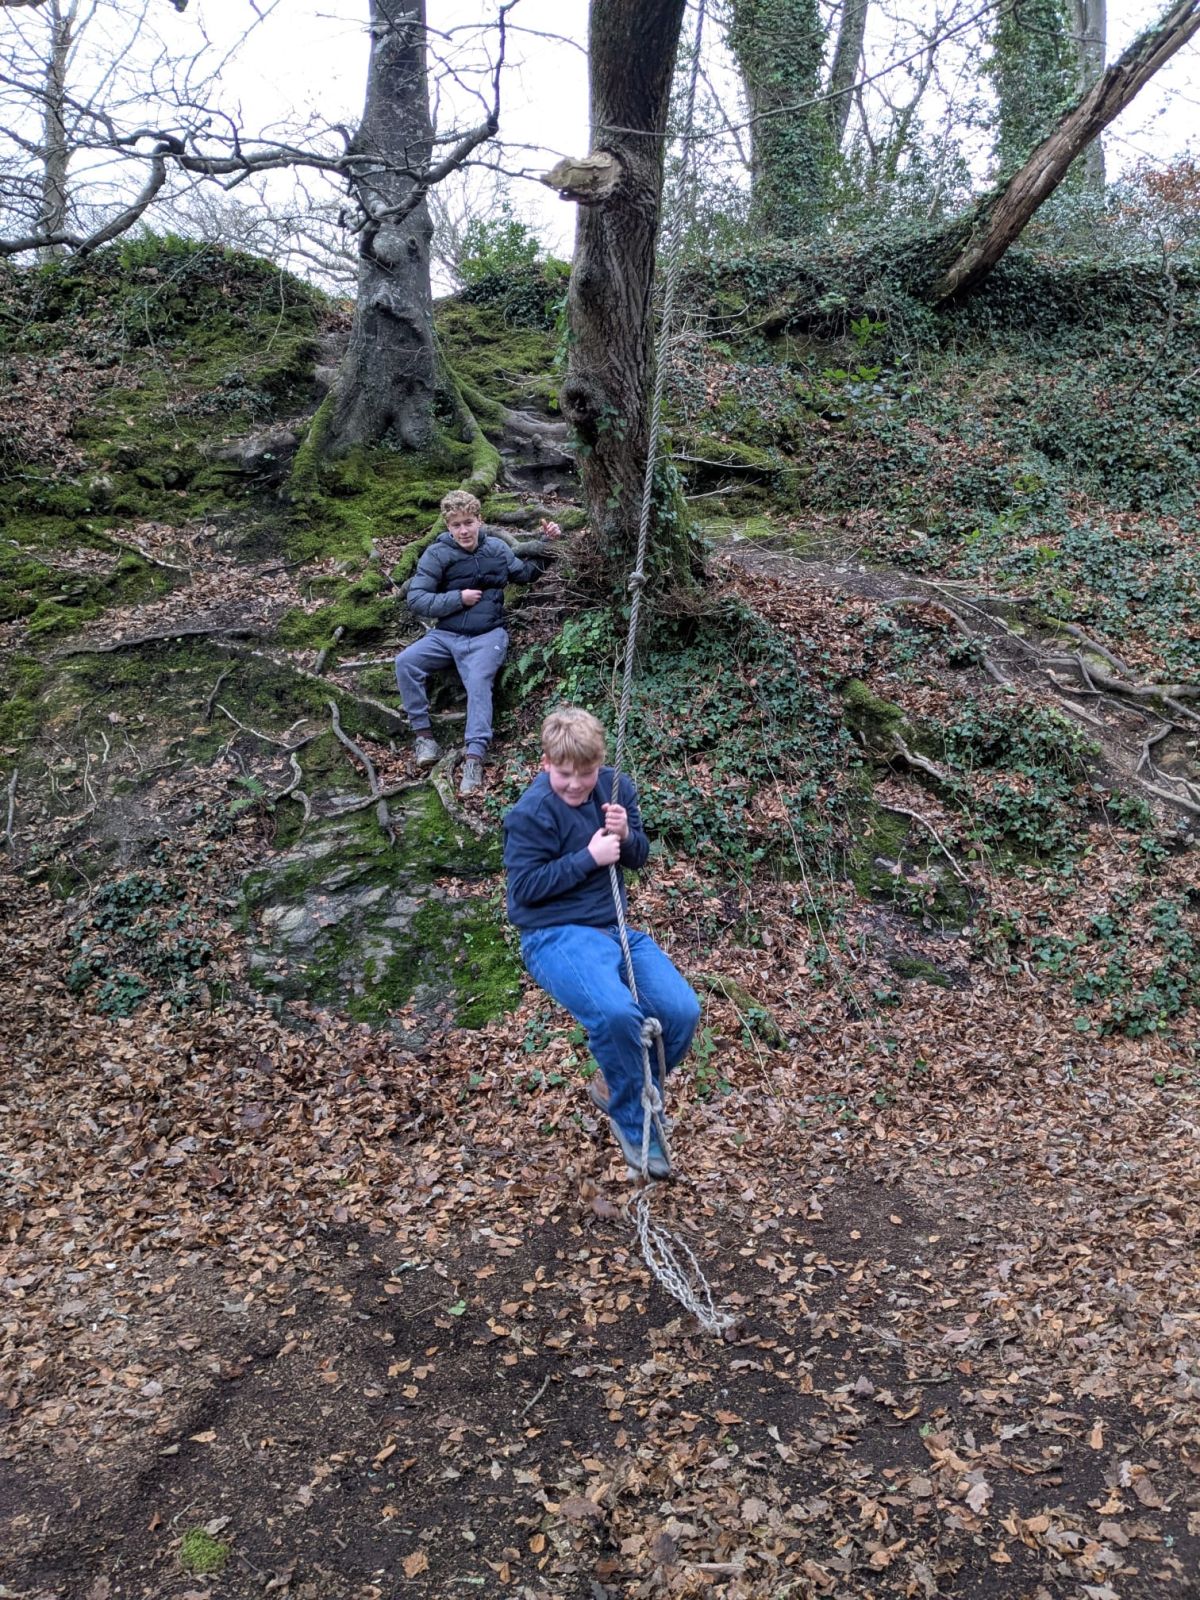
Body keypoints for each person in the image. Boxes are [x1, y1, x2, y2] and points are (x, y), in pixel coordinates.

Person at [503, 707, 701, 1179]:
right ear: (546, 763)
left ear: (599, 764)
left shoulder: (614, 789)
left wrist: (627, 835)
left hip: (615, 930)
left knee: (681, 1011)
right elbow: (523, 891)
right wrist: (588, 858)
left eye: (586, 773)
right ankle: (636, 1127)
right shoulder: (530, 814)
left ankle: (618, 1087)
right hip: (554, 935)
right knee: (616, 1014)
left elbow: (637, 857)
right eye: (564, 774)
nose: (576, 785)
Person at [396, 490, 561, 796]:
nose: (463, 530)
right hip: (446, 635)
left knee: (478, 680)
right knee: (406, 662)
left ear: (479, 521)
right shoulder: (437, 554)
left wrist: (547, 543)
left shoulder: (496, 548)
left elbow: (525, 574)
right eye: (456, 525)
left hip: (488, 635)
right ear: (448, 527)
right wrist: (457, 598)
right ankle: (424, 738)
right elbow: (416, 598)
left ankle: (474, 758)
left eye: (468, 522)